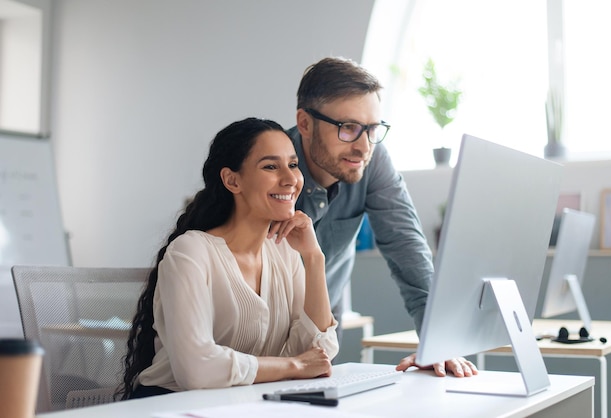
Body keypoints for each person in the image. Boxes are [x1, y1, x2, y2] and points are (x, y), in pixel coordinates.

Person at [274, 56, 476, 377]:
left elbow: (406, 245)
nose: (363, 147)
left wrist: (437, 342)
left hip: (321, 337)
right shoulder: (270, 167)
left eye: (372, 129)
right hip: (262, 339)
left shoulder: (372, 161)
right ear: (305, 123)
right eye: (348, 128)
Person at [118, 117, 339, 399]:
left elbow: (319, 353)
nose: (290, 179)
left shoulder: (284, 250)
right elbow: (197, 370)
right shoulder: (191, 252)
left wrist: (314, 257)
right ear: (232, 180)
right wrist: (293, 365)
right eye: (271, 166)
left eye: (293, 165)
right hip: (171, 404)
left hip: (243, 402)